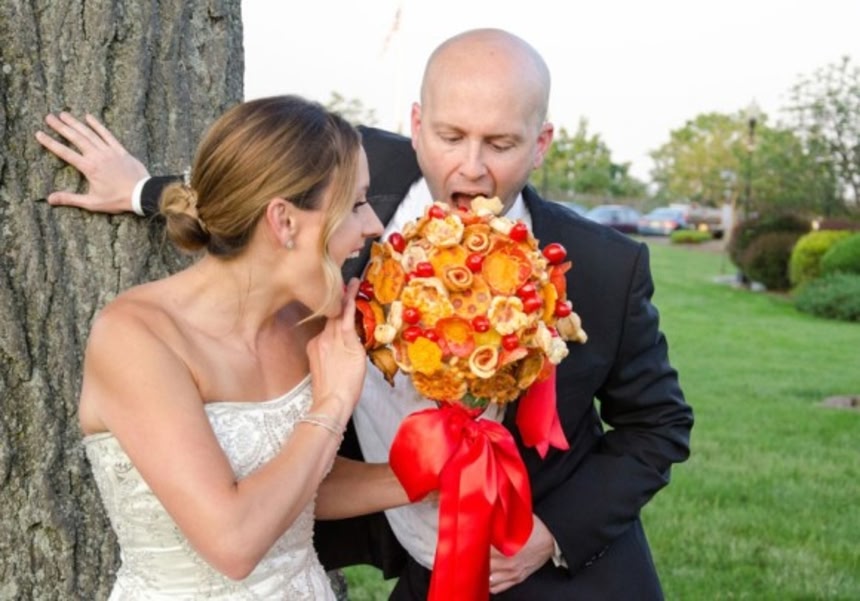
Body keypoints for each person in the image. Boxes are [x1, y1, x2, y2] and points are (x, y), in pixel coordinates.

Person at [38, 29, 693, 599]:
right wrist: (139, 189)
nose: (471, 166)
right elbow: (253, 188)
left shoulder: (604, 266)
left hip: (558, 578)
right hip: (401, 569)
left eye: (500, 143)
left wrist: (547, 534)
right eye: (450, 136)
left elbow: (658, 424)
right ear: (417, 124)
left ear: (540, 142)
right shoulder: (348, 173)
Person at [41, 95, 411, 599]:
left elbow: (299, 487)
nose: (373, 227)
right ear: (283, 221)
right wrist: (332, 403)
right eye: (355, 205)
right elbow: (233, 542)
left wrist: (423, 476)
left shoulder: (307, 327)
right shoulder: (135, 338)